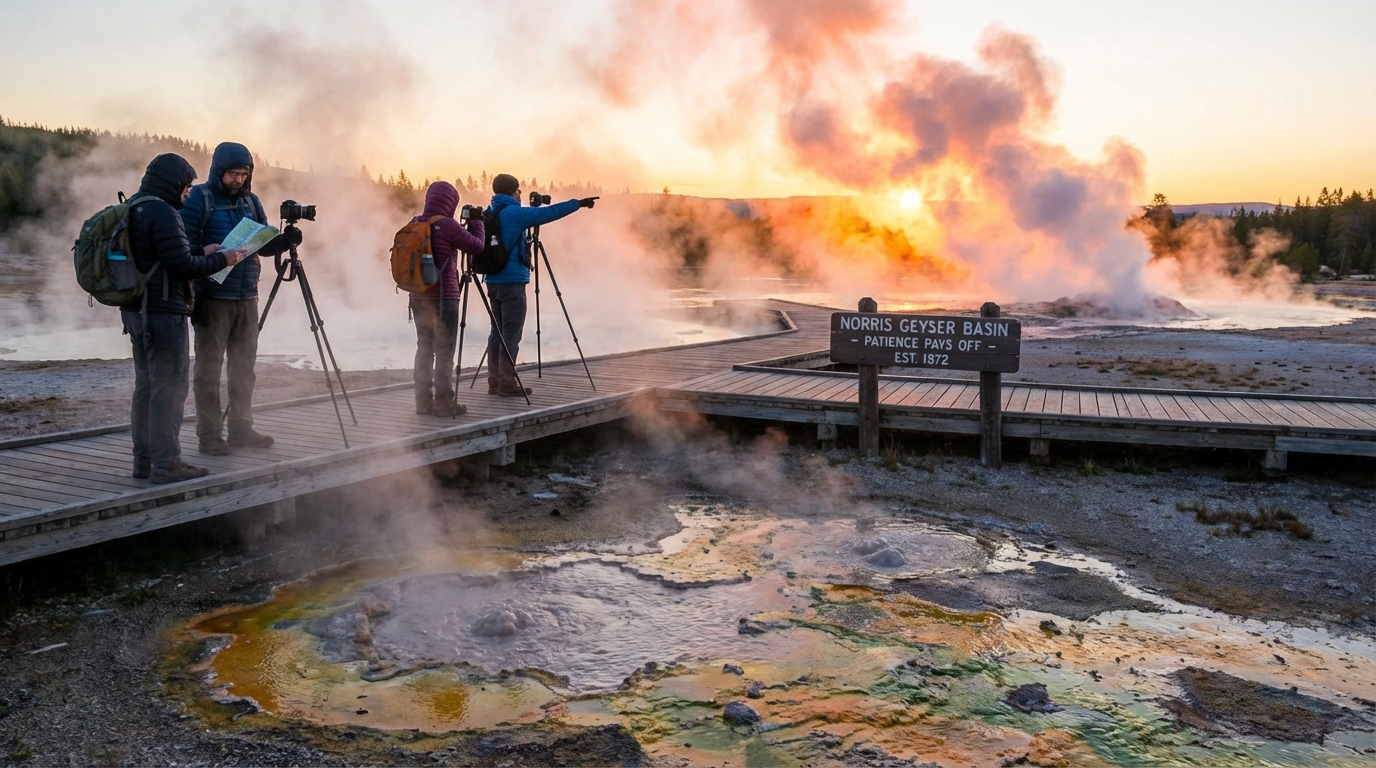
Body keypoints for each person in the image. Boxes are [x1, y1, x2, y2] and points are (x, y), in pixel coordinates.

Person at [120, 154, 243, 484]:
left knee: (146, 387)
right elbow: (182, 267)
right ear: (174, 183)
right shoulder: (163, 212)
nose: (188, 192)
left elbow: (166, 257)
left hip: (135, 312)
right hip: (162, 314)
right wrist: (223, 258)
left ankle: (143, 462)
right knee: (169, 389)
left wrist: (200, 253)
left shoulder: (135, 206)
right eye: (186, 186)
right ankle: (167, 465)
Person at [182, 142, 298, 456]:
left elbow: (262, 244)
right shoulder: (197, 200)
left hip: (247, 295)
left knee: (244, 369)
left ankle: (241, 429)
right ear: (219, 171)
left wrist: (283, 242)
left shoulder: (252, 201)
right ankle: (209, 436)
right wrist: (208, 255)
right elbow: (185, 249)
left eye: (244, 174)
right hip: (213, 296)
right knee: (208, 370)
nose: (239, 180)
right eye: (234, 173)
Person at [483, 174, 597, 396]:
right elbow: (549, 213)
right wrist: (578, 203)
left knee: (496, 333)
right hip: (513, 282)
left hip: (492, 281)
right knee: (511, 333)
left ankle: (493, 382)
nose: (520, 194)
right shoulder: (515, 214)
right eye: (519, 191)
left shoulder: (489, 213)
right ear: (513, 191)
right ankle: (507, 383)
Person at [410, 181, 485, 416]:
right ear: (450, 202)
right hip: (444, 297)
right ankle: (443, 403)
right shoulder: (448, 225)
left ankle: (423, 402)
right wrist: (477, 223)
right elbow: (476, 247)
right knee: (444, 349)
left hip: (418, 297)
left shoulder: (415, 223)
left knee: (424, 347)